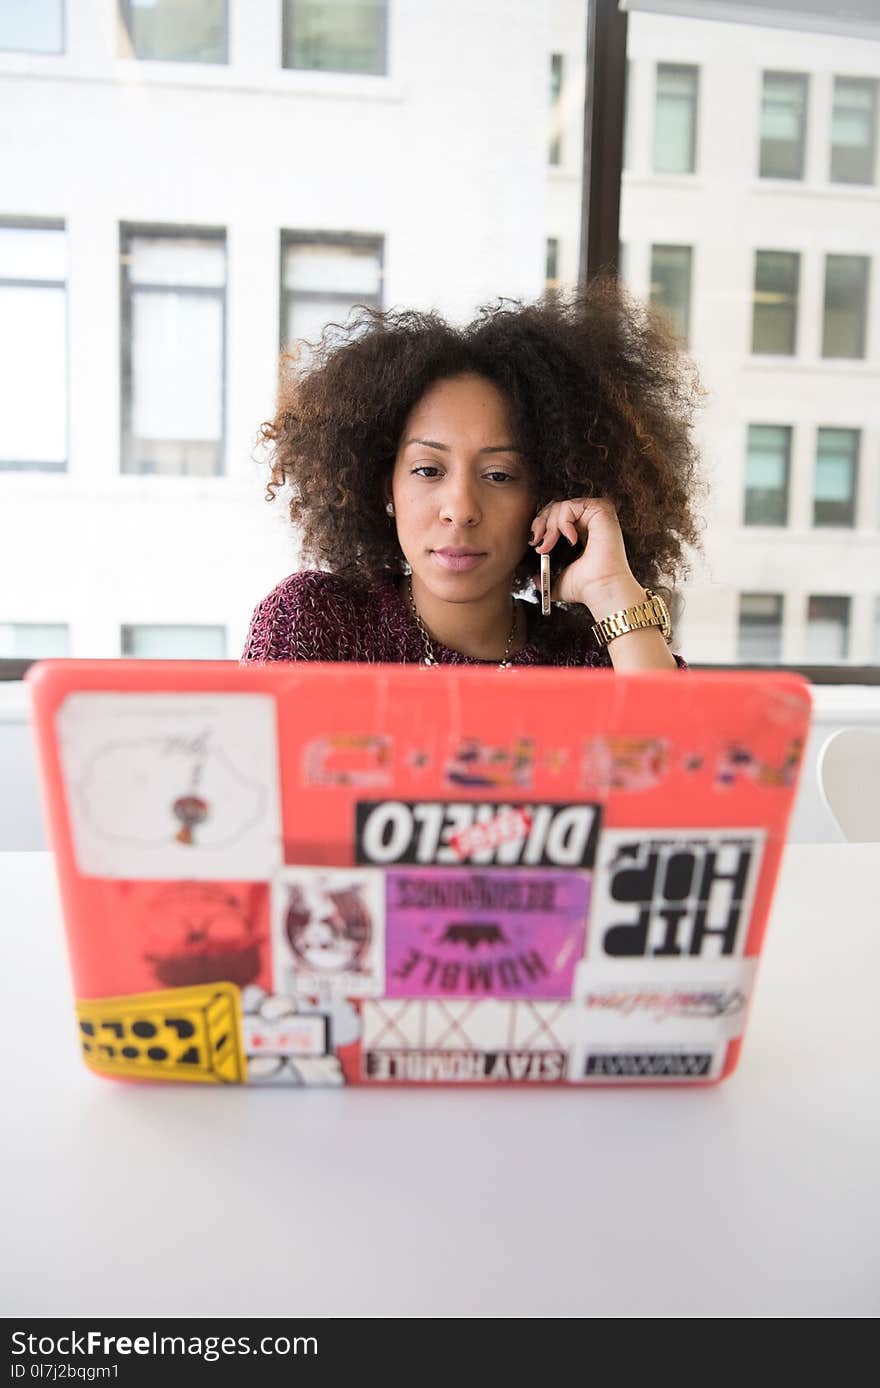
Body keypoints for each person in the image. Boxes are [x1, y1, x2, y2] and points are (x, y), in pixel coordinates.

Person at [242, 274, 704, 671]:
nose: (460, 510)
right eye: (427, 469)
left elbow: (683, 762)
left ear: (545, 497)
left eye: (499, 475)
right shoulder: (316, 623)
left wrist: (611, 591)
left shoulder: (589, 659)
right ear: (386, 486)